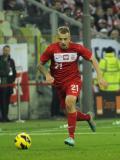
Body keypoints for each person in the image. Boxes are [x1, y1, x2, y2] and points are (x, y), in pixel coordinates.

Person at [37, 26, 108, 146]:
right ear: (57, 38)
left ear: (69, 38)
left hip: (73, 81)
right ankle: (87, 117)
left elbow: (93, 60)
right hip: (58, 84)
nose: (63, 42)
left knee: (70, 102)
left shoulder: (77, 48)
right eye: (60, 39)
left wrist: (100, 77)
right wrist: (47, 75)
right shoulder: (51, 49)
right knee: (70, 111)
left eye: (65, 39)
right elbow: (39, 65)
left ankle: (71, 137)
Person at [0, 45, 16, 122]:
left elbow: (14, 72)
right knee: (2, 101)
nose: (6, 52)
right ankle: (2, 117)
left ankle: (5, 116)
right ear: (3, 51)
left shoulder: (11, 61)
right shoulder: (0, 59)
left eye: (8, 50)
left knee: (7, 101)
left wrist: (12, 80)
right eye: (5, 50)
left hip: (9, 84)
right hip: (2, 83)